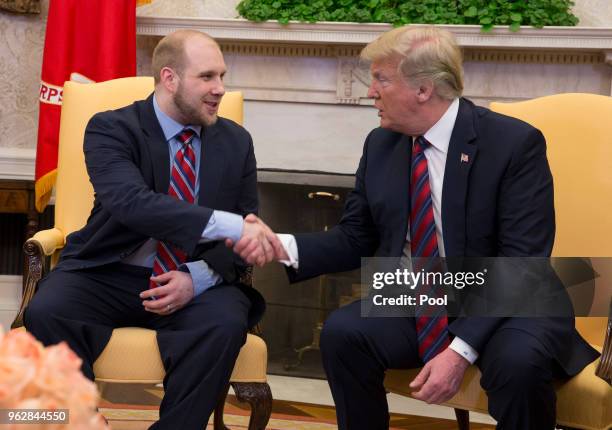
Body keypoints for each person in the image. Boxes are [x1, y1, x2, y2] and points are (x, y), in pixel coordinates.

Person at [233, 26, 599, 430]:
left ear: (423, 90)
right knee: (343, 333)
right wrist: (279, 245)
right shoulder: (382, 145)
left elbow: (521, 262)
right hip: (420, 294)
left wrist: (459, 352)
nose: (370, 91)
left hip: (513, 299)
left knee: (517, 363)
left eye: (381, 79)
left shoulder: (513, 143)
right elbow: (356, 236)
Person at [24, 30, 276, 430]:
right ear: (169, 77)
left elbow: (243, 230)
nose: (220, 90)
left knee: (225, 322)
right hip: (109, 270)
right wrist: (227, 224)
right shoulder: (112, 128)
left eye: (222, 77)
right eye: (207, 77)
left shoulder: (235, 141)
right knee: (47, 310)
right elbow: (131, 203)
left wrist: (198, 278)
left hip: (192, 276)